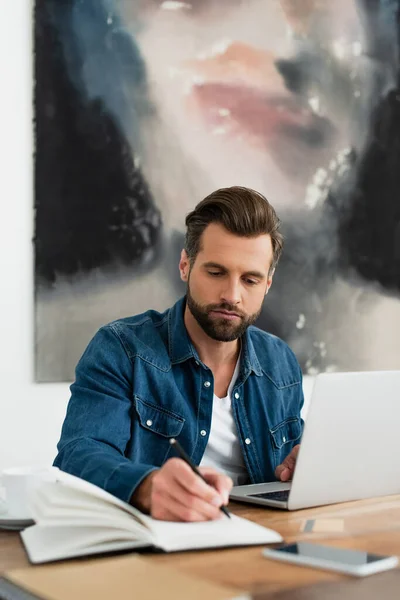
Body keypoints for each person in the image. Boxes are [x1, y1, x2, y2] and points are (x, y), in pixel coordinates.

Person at [54, 186, 304, 522]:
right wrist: (146, 487)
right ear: (185, 266)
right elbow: (78, 455)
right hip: (155, 549)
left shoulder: (281, 362)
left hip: (260, 542)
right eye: (216, 272)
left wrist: (306, 465)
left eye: (250, 280)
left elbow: (290, 467)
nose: (232, 295)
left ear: (267, 284)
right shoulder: (121, 349)